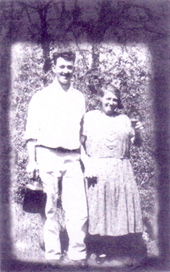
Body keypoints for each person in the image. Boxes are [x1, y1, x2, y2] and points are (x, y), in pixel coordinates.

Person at [25, 51, 88, 267]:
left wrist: (85, 159)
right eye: (62, 67)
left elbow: (82, 133)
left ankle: (78, 253)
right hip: (47, 154)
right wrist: (31, 161)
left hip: (72, 156)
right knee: (49, 206)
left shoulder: (79, 98)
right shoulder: (40, 97)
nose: (66, 71)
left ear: (74, 69)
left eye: (69, 67)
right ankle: (52, 254)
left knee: (78, 207)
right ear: (54, 67)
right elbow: (31, 132)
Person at [81, 84, 144, 265]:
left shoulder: (124, 119)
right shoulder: (90, 117)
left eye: (115, 99)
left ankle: (121, 251)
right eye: (108, 98)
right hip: (97, 170)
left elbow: (136, 142)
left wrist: (138, 131)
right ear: (100, 99)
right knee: (98, 210)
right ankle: (97, 249)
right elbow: (80, 144)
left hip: (121, 170)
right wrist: (87, 164)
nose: (111, 102)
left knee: (120, 210)